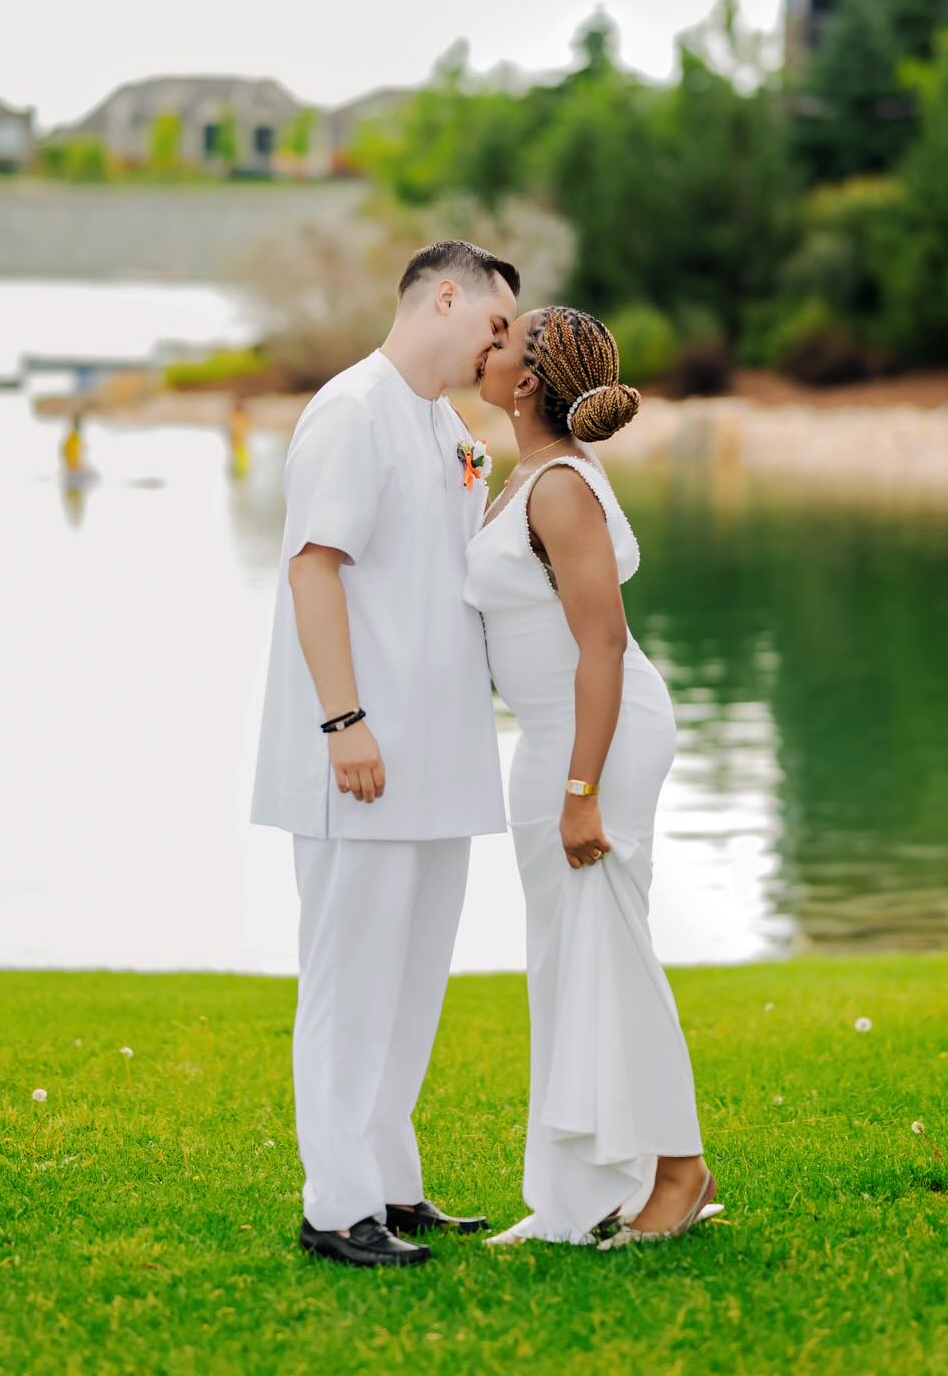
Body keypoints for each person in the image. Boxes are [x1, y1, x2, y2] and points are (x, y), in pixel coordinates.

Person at [251, 240, 521, 1268]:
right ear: (443, 296)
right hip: (361, 753)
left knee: (410, 985)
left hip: (438, 758)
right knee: (349, 982)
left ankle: (392, 1185)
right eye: (492, 324)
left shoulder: (446, 428)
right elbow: (313, 568)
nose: (497, 348)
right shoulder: (352, 410)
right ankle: (335, 1206)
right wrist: (343, 719)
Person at [464, 304, 717, 1249]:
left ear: (527, 381)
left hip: (596, 739)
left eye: (499, 342)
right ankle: (575, 1194)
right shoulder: (524, 473)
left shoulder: (560, 486)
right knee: (566, 961)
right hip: (551, 734)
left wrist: (582, 791)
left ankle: (681, 1169)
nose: (482, 351)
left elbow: (603, 641)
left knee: (608, 946)